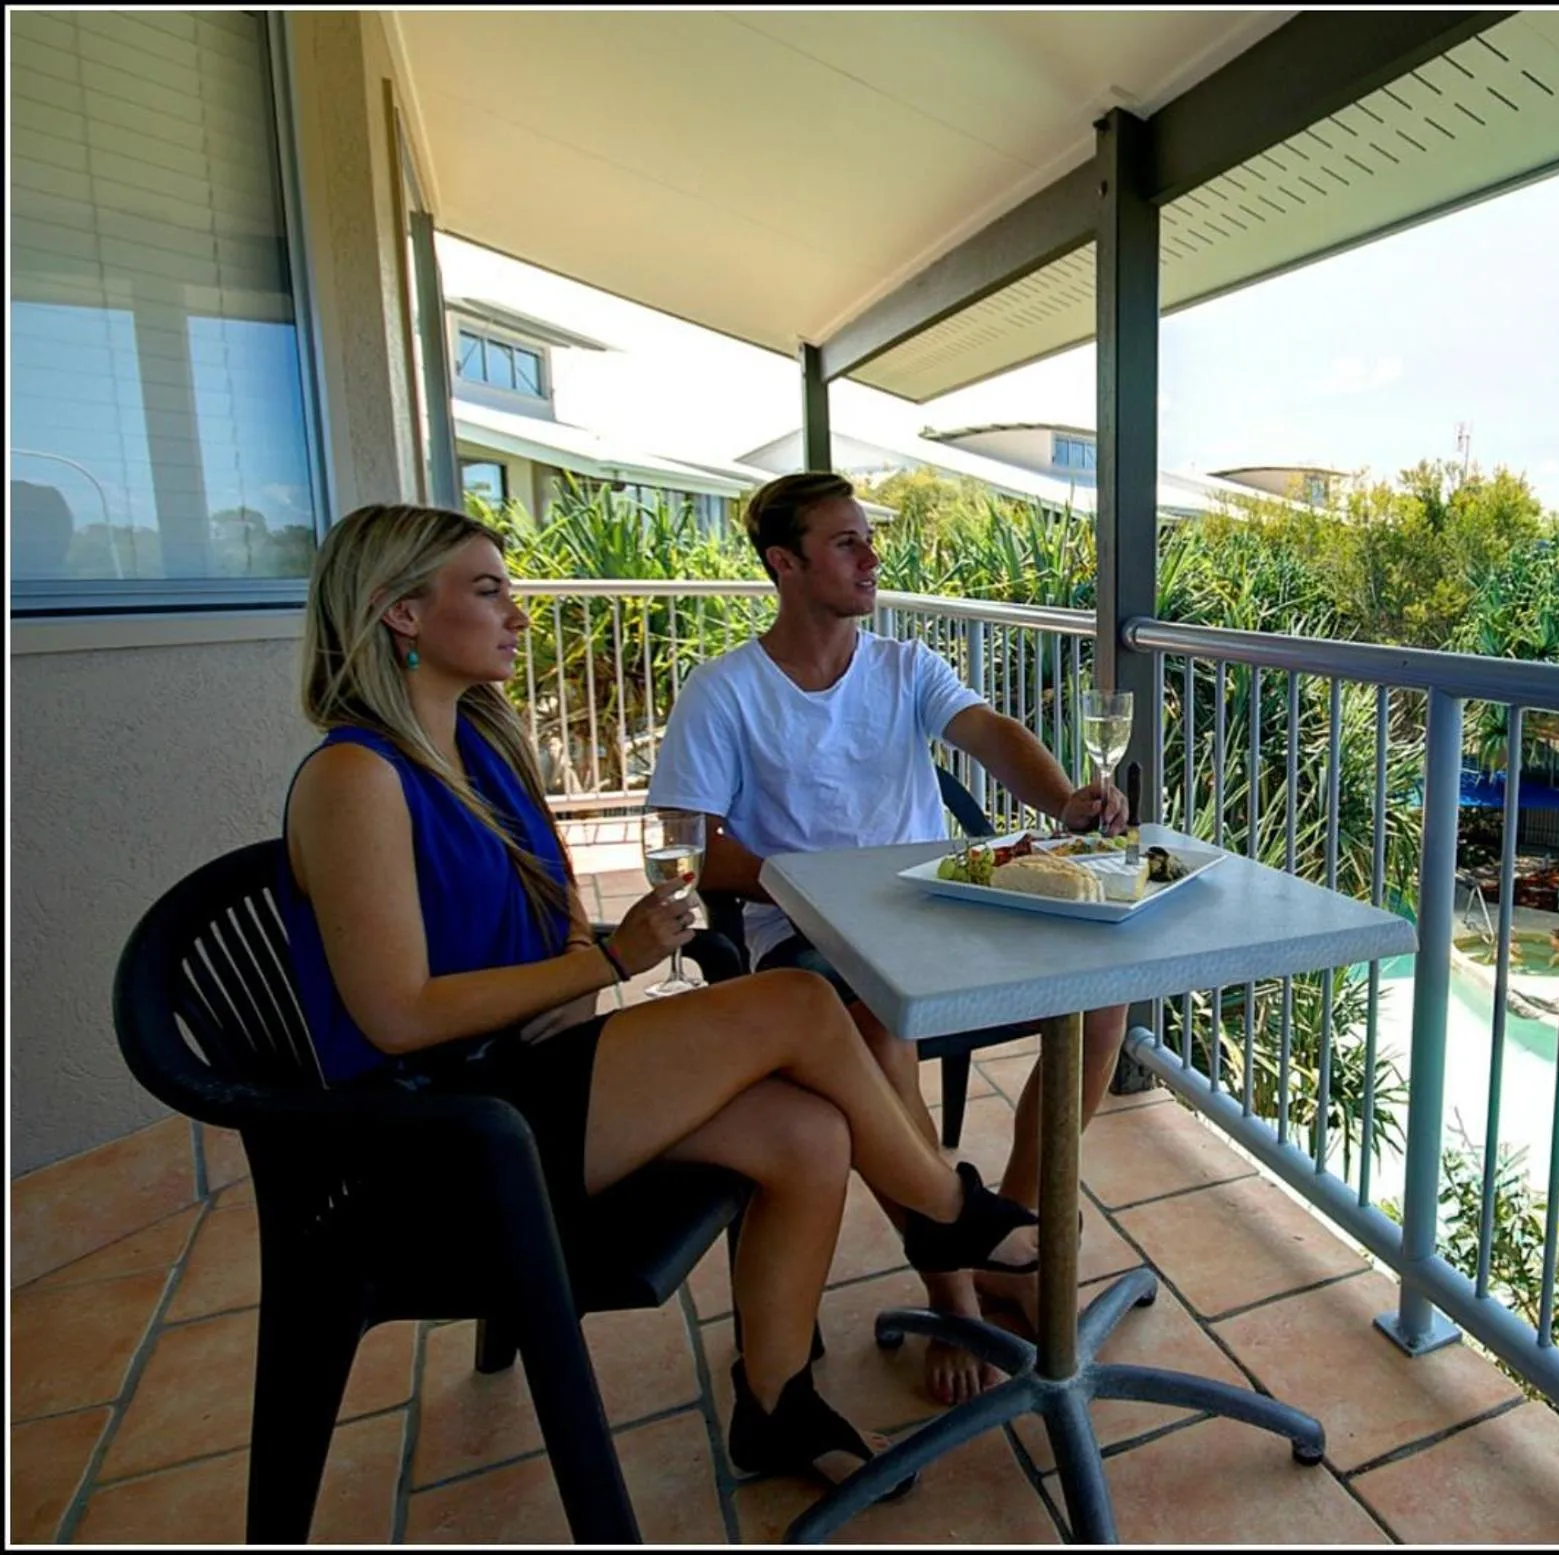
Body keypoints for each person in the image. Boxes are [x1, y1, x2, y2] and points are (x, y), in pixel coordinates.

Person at [278, 502, 1042, 1494]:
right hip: (435, 1139)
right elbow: (398, 1014)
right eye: (487, 590)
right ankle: (945, 1208)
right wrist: (612, 962)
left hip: (519, 1080)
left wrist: (593, 963)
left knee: (811, 1132)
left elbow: (548, 929)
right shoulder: (354, 777)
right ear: (400, 614)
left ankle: (774, 1405)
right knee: (802, 1007)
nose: (517, 613)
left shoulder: (480, 752)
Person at [648, 471, 1132, 1405]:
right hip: (803, 938)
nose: (872, 557)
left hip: (935, 910)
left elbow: (989, 732)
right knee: (879, 1027)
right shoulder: (726, 692)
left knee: (1101, 994)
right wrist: (817, 881)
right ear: (784, 563)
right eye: (846, 543)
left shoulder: (904, 667)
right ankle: (951, 1290)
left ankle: (1008, 1235)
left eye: (869, 539)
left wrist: (1065, 800)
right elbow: (690, 843)